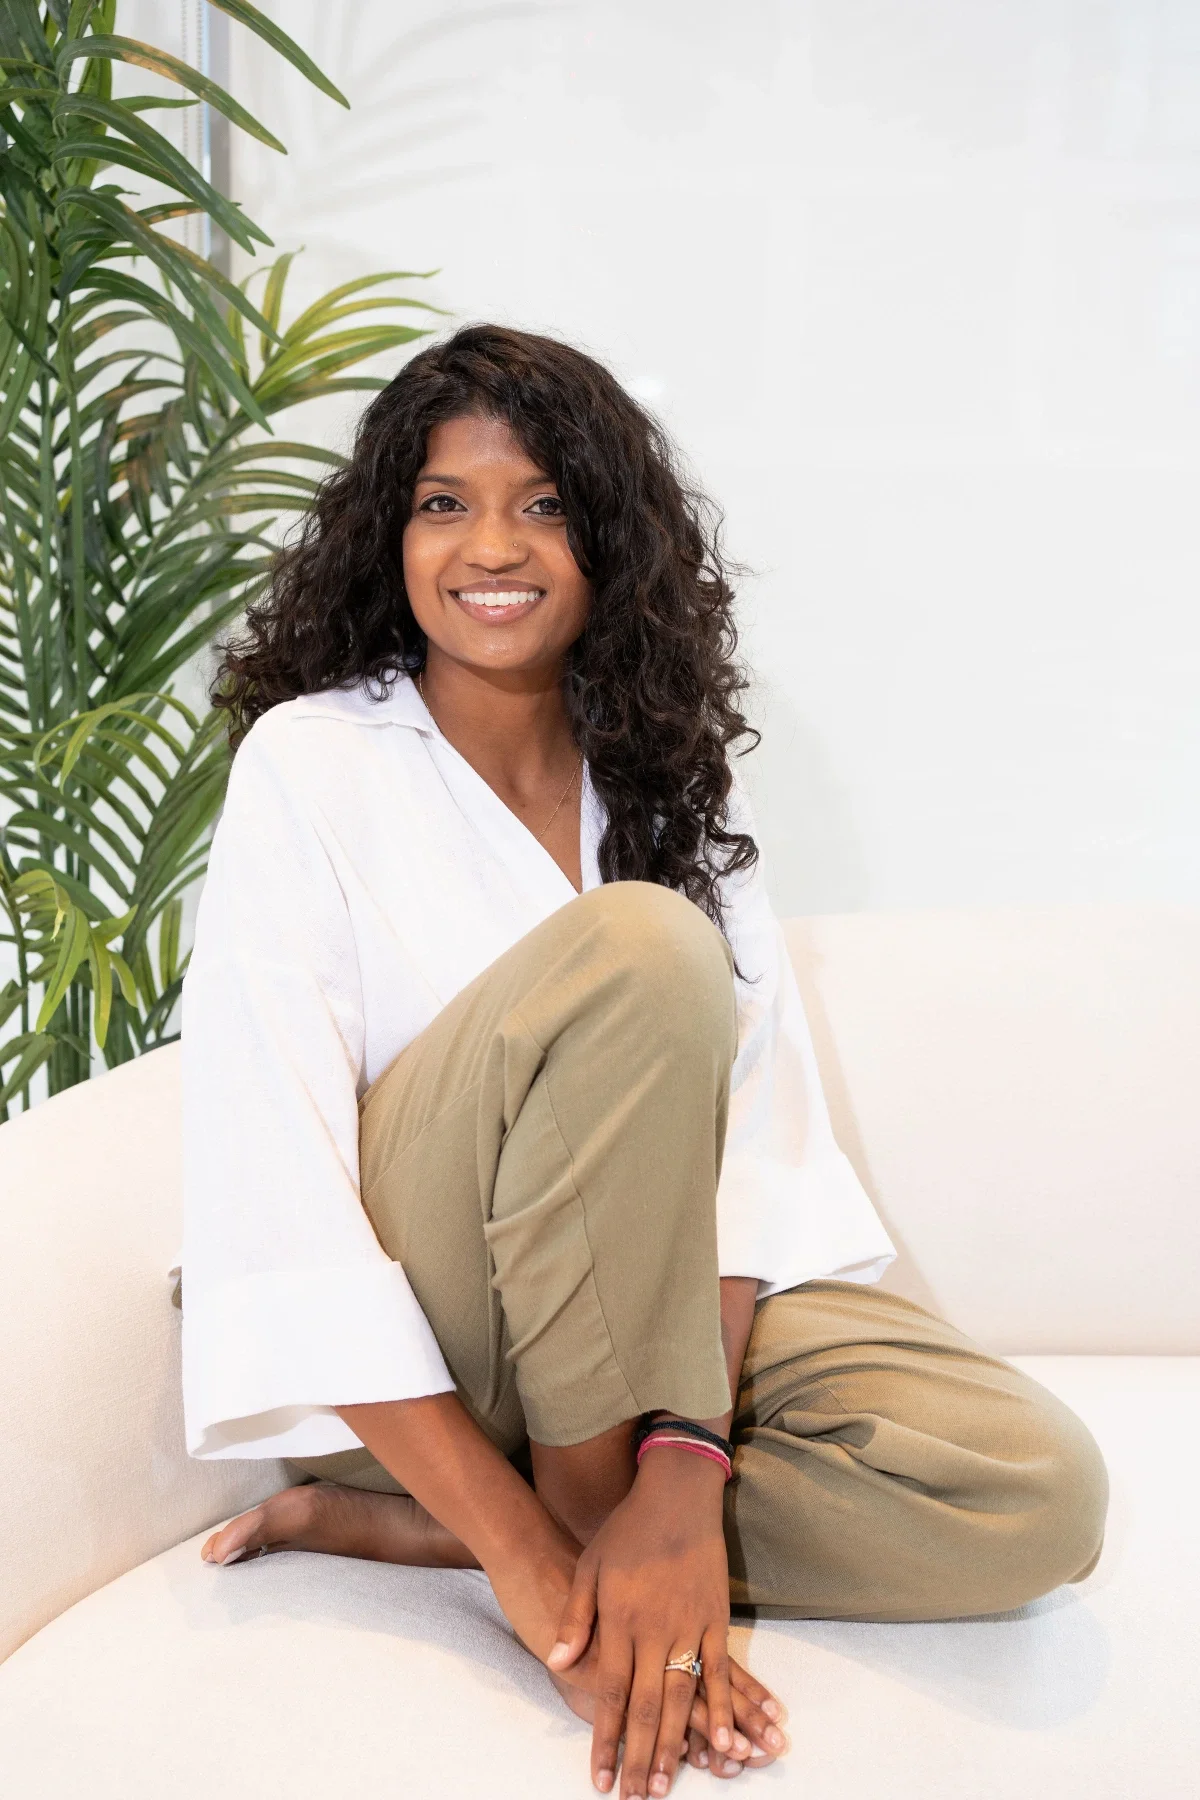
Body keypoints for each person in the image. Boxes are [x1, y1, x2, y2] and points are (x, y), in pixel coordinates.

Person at [181, 325, 1108, 1800]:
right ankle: (507, 1515)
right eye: (444, 503)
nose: (494, 543)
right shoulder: (312, 762)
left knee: (1033, 1496)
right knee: (641, 949)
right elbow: (275, 1183)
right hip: (427, 1344)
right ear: (389, 536)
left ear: (608, 540)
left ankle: (507, 1528)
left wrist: (685, 1470)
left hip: (639, 1348)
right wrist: (532, 1565)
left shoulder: (666, 776)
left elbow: (751, 1153)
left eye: (544, 504)